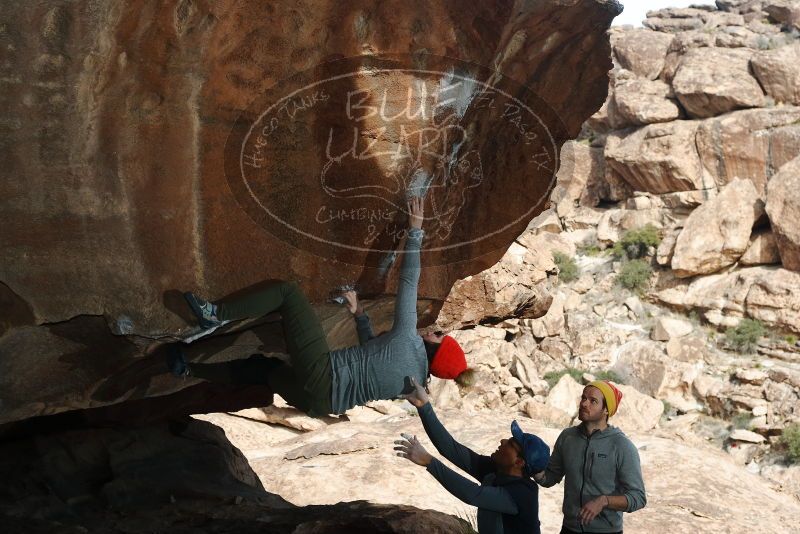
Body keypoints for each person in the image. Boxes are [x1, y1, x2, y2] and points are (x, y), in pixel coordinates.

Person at [167, 196, 474, 416]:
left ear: (436, 349)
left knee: (288, 293)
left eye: (439, 336)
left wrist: (416, 230)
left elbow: (409, 280)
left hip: (323, 378)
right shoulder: (413, 384)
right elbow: (372, 358)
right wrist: (360, 316)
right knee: (265, 370)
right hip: (322, 405)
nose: (433, 331)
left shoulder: (408, 339)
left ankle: (215, 315)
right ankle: (186, 368)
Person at [395, 376, 550, 534]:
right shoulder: (497, 470)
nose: (503, 441)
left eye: (510, 444)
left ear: (519, 462)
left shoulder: (523, 494)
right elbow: (450, 449)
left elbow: (473, 494)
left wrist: (429, 461)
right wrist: (424, 406)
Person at [534, 380, 646, 534]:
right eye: (583, 398)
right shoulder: (567, 437)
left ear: (606, 410)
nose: (585, 404)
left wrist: (604, 501)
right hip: (569, 529)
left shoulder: (621, 446)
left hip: (606, 531)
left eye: (593, 401)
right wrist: (534, 468)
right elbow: (550, 477)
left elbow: (638, 498)